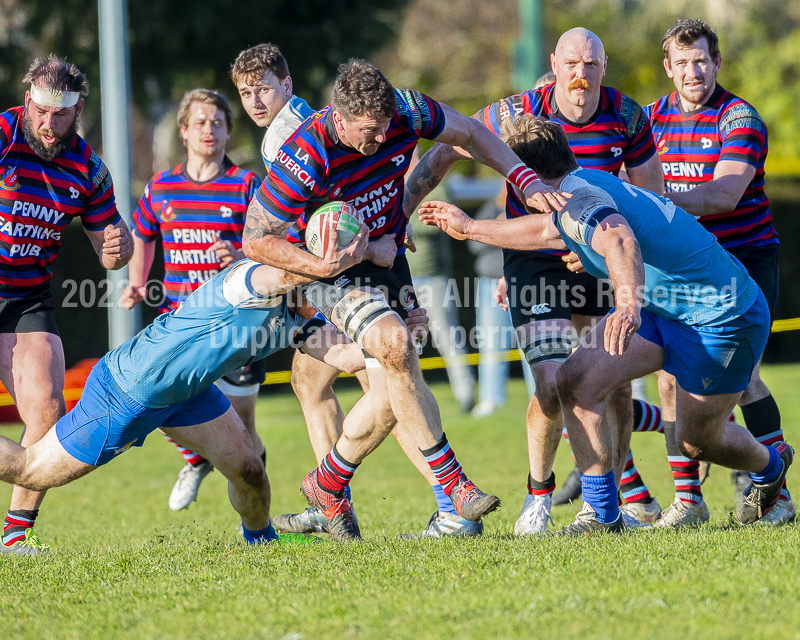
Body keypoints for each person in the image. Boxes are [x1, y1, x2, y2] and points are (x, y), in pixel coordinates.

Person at [418, 115, 793, 534]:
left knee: (697, 441)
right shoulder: (579, 185)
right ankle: (602, 513)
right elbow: (547, 230)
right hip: (668, 311)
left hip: (721, 316)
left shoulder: (578, 201)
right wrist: (471, 228)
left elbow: (618, 238)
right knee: (575, 381)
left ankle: (771, 467)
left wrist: (627, 305)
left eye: (508, 171)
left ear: (526, 176)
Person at [242, 59, 565, 542]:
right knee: (393, 350)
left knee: (393, 376)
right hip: (331, 268)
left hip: (389, 258)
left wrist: (524, 177)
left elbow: (470, 136)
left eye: (386, 127)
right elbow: (255, 239)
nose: (381, 138)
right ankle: (453, 489)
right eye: (369, 132)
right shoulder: (304, 153)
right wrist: (327, 265)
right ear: (341, 117)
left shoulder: (406, 110)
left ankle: (328, 484)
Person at [403, 28, 665, 535]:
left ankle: (605, 503)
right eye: (570, 63)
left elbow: (652, 200)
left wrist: (610, 255)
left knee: (611, 385)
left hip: (597, 259)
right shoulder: (513, 113)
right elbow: (442, 153)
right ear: (554, 62)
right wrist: (400, 217)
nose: (579, 74)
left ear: (603, 66)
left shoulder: (627, 116)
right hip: (533, 257)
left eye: (590, 64)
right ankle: (539, 497)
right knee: (550, 382)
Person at [0, 247, 371, 549]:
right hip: (131, 386)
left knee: (250, 470)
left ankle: (260, 543)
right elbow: (287, 274)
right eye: (328, 289)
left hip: (190, 395)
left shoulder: (299, 320)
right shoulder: (250, 278)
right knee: (31, 471)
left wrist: (403, 335)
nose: (329, 303)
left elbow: (350, 357)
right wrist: (340, 260)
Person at [643, 19, 794, 526]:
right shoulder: (646, 120)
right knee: (669, 377)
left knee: (744, 377)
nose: (693, 71)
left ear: (718, 62)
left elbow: (725, 196)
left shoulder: (739, 118)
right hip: (684, 267)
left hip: (743, 261)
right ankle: (689, 501)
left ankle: (777, 495)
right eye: (682, 62)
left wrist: (654, 205)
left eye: (701, 60)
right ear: (668, 68)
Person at [0, 55, 133, 554]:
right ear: (27, 99)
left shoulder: (90, 171)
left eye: (60, 115)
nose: (47, 125)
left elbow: (110, 250)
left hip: (26, 298)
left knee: (48, 412)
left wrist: (119, 249)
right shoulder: (3, 136)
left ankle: (16, 535)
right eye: (39, 111)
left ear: (78, 110)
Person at [120, 88, 263, 512]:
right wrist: (136, 281)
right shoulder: (162, 187)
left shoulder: (245, 185)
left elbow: (271, 242)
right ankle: (195, 458)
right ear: (183, 130)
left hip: (238, 320)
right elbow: (143, 235)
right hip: (180, 317)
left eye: (217, 123)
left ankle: (256, 513)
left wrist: (241, 255)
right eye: (200, 122)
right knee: (156, 391)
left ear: (227, 132)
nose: (209, 130)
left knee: (241, 424)